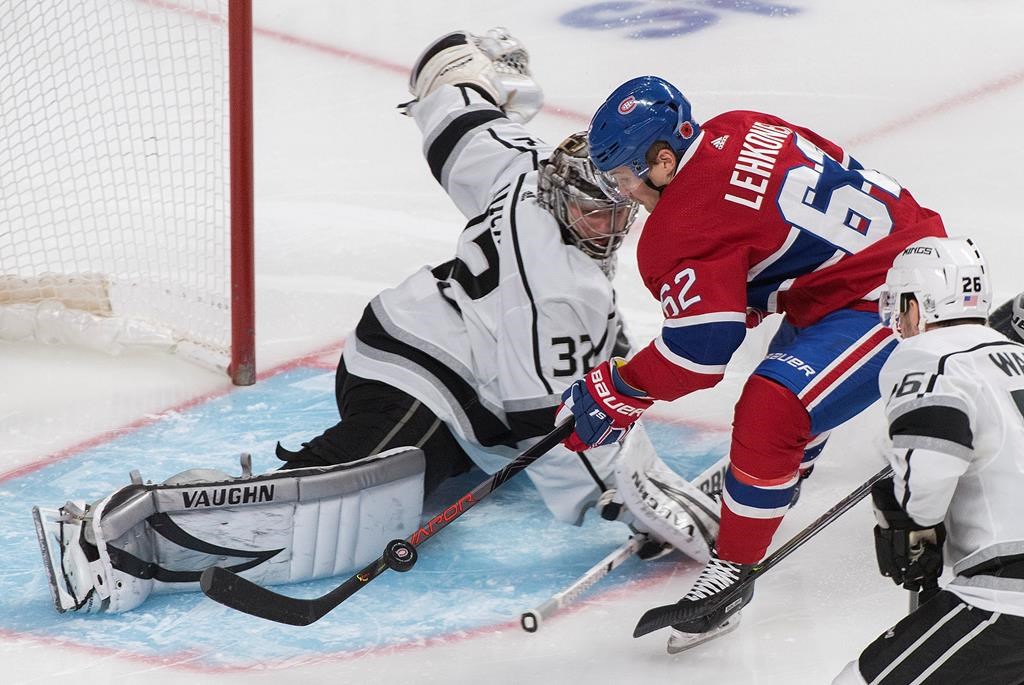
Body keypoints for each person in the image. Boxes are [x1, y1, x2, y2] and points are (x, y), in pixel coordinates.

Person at [33, 31, 717, 615]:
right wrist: (627, 501)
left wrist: (473, 61)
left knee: (412, 479)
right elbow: (556, 423)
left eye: (615, 211)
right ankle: (115, 535)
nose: (607, 226)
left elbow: (451, 105)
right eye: (591, 212)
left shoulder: (521, 166)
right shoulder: (558, 290)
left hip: (446, 373)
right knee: (361, 498)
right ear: (562, 191)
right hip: (418, 371)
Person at [556, 75, 948, 646]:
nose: (625, 194)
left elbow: (698, 357)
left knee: (774, 407)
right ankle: (769, 480)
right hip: (870, 269)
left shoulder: (679, 227)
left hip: (893, 295)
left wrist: (617, 388)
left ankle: (732, 575)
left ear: (663, 161)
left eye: (625, 178)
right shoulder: (739, 126)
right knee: (791, 399)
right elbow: (769, 235)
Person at [833, 237, 1024, 684]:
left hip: (1010, 594)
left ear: (918, 305)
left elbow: (931, 471)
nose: (898, 319)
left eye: (901, 305)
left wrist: (914, 518)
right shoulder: (1017, 355)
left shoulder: (928, 355)